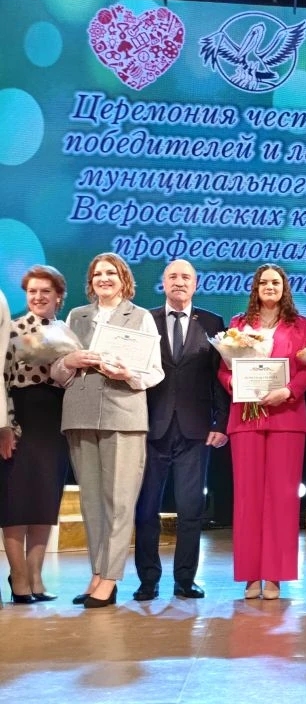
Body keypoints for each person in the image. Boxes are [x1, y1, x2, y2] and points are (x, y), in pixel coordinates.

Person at [51, 253, 165, 608]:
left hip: (123, 414)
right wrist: (68, 361)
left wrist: (126, 374)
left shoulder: (141, 317)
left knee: (119, 501)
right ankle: (97, 573)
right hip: (80, 413)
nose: (104, 278)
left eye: (111, 273)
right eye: (97, 273)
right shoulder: (76, 316)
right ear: (90, 281)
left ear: (124, 278)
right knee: (91, 502)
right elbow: (58, 372)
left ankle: (110, 578)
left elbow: (154, 372)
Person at [132, 260, 229, 602]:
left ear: (195, 284)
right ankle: (148, 580)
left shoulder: (213, 322)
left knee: (191, 509)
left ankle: (185, 579)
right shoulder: (146, 320)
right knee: (146, 510)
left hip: (195, 430)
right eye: (172, 276)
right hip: (150, 428)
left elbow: (219, 378)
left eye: (186, 277)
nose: (179, 282)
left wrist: (221, 422)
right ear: (163, 282)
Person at [217, 263, 306, 600]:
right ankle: (251, 574)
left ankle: (274, 575)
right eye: (263, 282)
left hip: (287, 417)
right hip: (246, 417)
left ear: (284, 288)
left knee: (282, 499)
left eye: (276, 282)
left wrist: (287, 391)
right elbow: (223, 370)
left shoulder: (300, 325)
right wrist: (235, 384)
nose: (270, 287)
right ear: (255, 288)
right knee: (247, 498)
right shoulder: (238, 325)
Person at [2, 270, 71, 603]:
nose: (39, 297)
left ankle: (36, 576)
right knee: (16, 503)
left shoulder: (68, 332)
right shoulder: (12, 329)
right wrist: (6, 426)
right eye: (32, 291)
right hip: (21, 422)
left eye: (46, 291)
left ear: (59, 296)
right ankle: (18, 577)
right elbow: (1, 381)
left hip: (55, 424)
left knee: (45, 501)